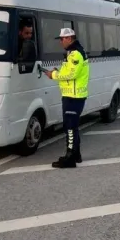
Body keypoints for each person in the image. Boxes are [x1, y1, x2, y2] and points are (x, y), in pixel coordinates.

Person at [43, 27, 89, 168]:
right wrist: (57, 71)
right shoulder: (72, 53)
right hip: (72, 95)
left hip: (73, 97)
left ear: (69, 38)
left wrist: (53, 75)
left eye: (62, 39)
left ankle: (70, 158)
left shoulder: (75, 54)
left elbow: (71, 75)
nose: (61, 42)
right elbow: (67, 71)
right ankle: (76, 155)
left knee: (69, 127)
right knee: (72, 127)